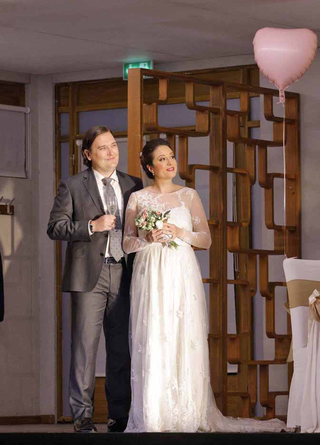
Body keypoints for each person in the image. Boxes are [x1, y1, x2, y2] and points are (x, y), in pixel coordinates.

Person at [122, 138, 289, 433]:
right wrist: (146, 239)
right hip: (150, 272)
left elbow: (206, 239)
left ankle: (188, 412)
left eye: (171, 156)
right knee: (154, 335)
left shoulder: (188, 195)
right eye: (162, 159)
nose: (170, 162)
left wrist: (180, 231)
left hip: (180, 271)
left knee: (183, 334)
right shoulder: (138, 199)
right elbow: (126, 242)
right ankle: (155, 413)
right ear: (149, 167)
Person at [47, 126, 142, 433]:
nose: (111, 152)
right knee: (85, 350)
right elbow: (55, 227)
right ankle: (83, 417)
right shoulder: (73, 185)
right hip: (90, 274)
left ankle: (119, 416)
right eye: (103, 148)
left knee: (120, 349)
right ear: (88, 154)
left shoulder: (133, 184)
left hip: (124, 273)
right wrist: (91, 225)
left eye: (114, 145)